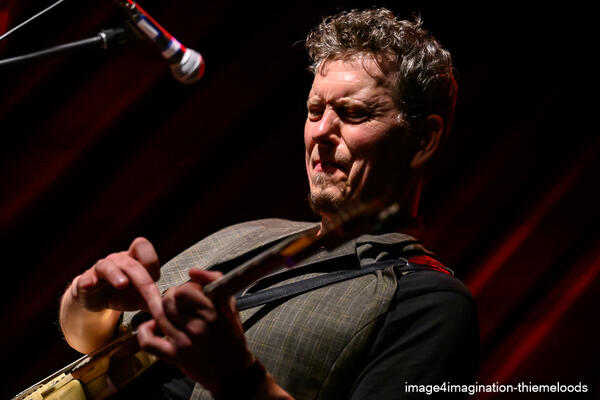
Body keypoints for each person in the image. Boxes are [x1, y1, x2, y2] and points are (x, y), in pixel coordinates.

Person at [59, 7, 478, 399]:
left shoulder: (432, 304)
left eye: (353, 113)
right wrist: (87, 300)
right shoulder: (249, 234)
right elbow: (94, 339)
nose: (321, 131)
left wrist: (237, 377)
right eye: (315, 110)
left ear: (424, 140)